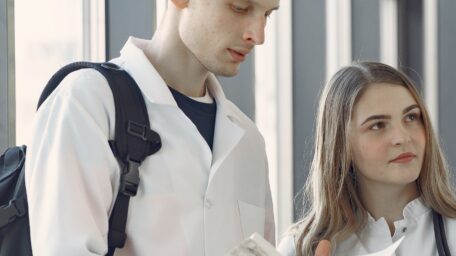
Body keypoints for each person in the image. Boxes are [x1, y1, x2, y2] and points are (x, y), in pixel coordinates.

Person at [24, 0, 280, 254]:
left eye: (267, 15)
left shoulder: (250, 142)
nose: (258, 36)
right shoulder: (86, 104)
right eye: (239, 7)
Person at [276, 62, 456, 255]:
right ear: (341, 144)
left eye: (411, 118)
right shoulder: (301, 249)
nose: (402, 137)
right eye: (378, 125)